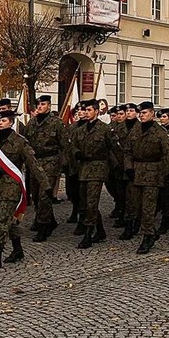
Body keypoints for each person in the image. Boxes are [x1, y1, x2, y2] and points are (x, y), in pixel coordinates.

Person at [0, 109, 51, 271]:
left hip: (12, 186)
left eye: (4, 120)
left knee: (2, 221)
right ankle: (18, 250)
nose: (0, 123)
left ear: (11, 122)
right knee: (8, 220)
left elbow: (33, 164)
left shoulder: (20, 142)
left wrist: (45, 184)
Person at [123, 101, 169, 254]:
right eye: (140, 113)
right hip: (136, 172)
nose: (141, 116)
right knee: (136, 206)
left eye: (144, 113)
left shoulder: (160, 132)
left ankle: (148, 236)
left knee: (148, 208)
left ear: (152, 114)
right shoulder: (135, 130)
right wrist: (128, 167)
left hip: (153, 173)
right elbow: (127, 151)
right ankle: (151, 231)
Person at [71, 98, 123, 249]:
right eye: (85, 110)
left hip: (98, 168)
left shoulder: (104, 129)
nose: (86, 113)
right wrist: (78, 154)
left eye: (89, 110)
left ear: (96, 111)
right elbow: (72, 145)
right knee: (85, 202)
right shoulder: (81, 129)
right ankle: (100, 230)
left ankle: (88, 233)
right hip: (84, 168)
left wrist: (119, 167)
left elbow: (115, 148)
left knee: (91, 202)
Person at [23, 94, 69, 242]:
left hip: (51, 161)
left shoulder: (56, 123)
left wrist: (64, 164)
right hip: (35, 163)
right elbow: (25, 142)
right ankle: (50, 220)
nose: (40, 107)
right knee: (36, 196)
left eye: (43, 105)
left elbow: (65, 145)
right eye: (38, 105)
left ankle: (44, 227)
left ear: (49, 106)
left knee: (44, 196)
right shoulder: (32, 123)